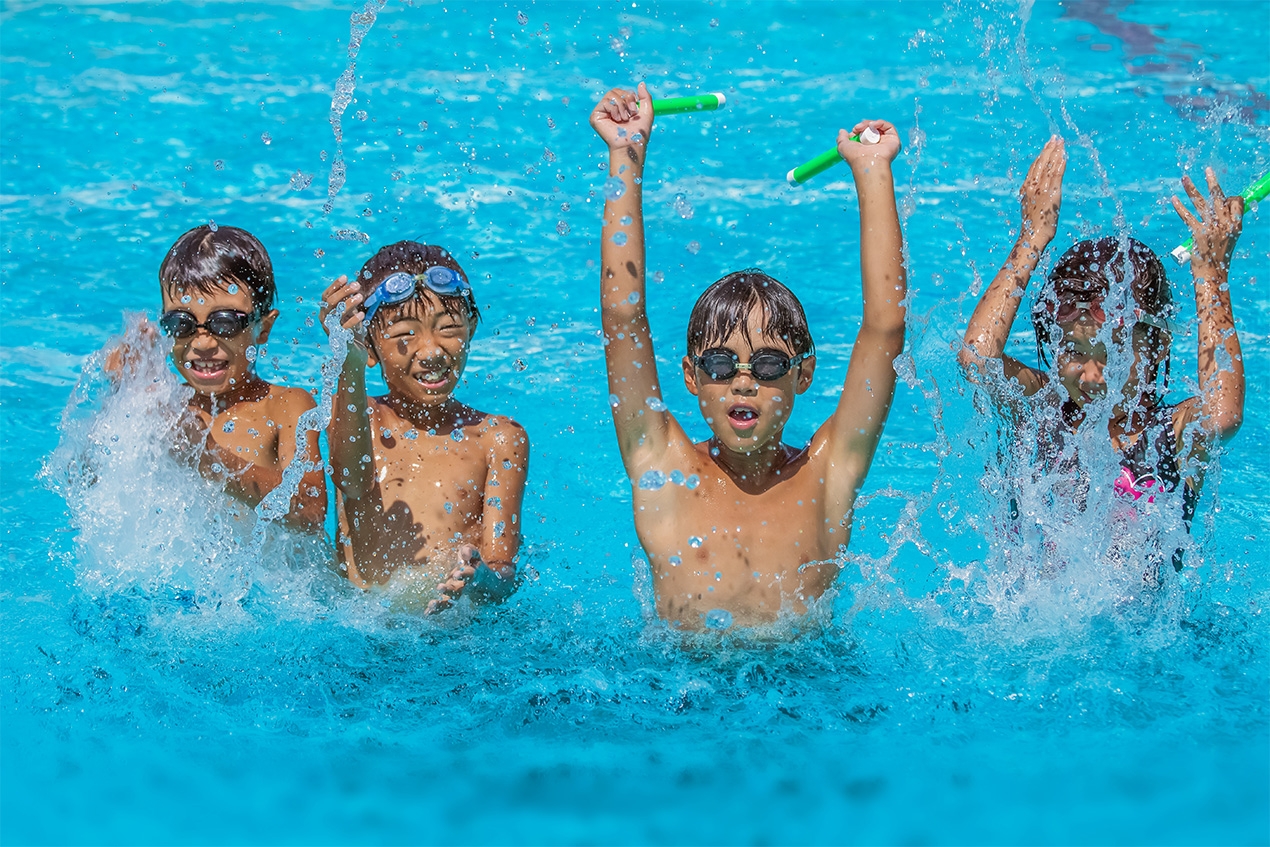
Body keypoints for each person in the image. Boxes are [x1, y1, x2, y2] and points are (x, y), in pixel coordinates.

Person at [589, 83, 908, 629]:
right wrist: (625, 156)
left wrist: (874, 171)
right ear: (691, 376)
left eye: (767, 365)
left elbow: (885, 329)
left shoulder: (828, 472)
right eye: (718, 364)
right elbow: (623, 319)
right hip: (681, 700)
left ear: (803, 372)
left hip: (806, 699)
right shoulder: (662, 465)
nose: (742, 382)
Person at [959, 136, 1245, 577]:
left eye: (1112, 355)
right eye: (1073, 351)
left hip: (1149, 643)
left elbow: (1223, 414)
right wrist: (1032, 238)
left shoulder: (1173, 434)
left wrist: (1210, 276)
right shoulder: (1043, 409)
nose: (1092, 376)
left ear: (1157, 347)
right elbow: (977, 360)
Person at [320, 241, 527, 613]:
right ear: (369, 348)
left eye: (448, 329)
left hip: (455, 636)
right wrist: (346, 361)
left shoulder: (499, 438)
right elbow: (350, 479)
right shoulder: (360, 418)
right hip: (362, 635)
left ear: (472, 328)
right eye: (405, 335)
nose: (431, 352)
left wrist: (478, 579)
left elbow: (502, 574)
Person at [106, 224, 326, 534]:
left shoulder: (284, 407)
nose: (203, 344)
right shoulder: (164, 407)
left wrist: (208, 457)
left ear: (263, 328)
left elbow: (310, 511)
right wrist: (121, 396)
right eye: (181, 324)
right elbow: (89, 484)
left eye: (224, 323)